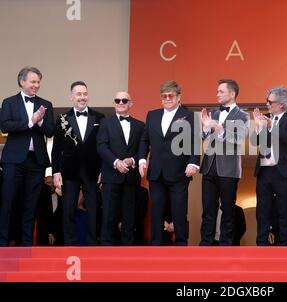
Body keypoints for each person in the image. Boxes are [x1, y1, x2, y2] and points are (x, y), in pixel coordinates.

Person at [139, 80, 200, 246]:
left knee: (179, 210)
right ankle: (156, 245)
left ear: (178, 97)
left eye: (170, 95)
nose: (167, 98)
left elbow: (194, 142)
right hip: (156, 172)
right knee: (157, 209)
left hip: (179, 172)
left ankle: (181, 245)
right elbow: (145, 139)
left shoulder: (189, 117)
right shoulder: (153, 115)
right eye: (164, 96)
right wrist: (142, 159)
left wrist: (193, 163)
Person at [0, 66, 55, 246]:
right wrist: (30, 122)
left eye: (38, 82)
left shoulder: (46, 104)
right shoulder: (9, 102)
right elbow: (5, 126)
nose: (36, 85)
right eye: (33, 81)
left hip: (36, 162)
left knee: (31, 204)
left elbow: (51, 130)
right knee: (8, 202)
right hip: (13, 161)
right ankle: (3, 242)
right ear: (22, 81)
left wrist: (39, 123)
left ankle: (26, 245)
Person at [52, 81, 104, 245]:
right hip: (69, 171)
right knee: (68, 208)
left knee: (93, 208)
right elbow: (56, 148)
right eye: (79, 94)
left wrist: (103, 169)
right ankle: (70, 243)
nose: (82, 97)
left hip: (93, 171)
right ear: (71, 96)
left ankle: (91, 243)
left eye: (85, 94)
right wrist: (56, 171)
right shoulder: (62, 118)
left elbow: (102, 146)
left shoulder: (100, 117)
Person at [199, 79, 250, 246]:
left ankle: (225, 246)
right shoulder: (213, 113)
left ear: (232, 93)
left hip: (229, 169)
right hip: (209, 167)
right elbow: (203, 137)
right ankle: (205, 244)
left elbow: (238, 139)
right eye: (217, 91)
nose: (217, 94)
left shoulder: (243, 115)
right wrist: (206, 127)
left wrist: (219, 130)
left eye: (221, 91)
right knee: (208, 210)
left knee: (228, 210)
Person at [250, 86, 287, 246]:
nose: (267, 105)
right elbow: (254, 141)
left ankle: (284, 246)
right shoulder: (265, 118)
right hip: (264, 170)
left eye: (270, 102)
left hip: (283, 172)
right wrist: (258, 126)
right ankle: (262, 244)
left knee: (284, 210)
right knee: (262, 210)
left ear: (281, 104)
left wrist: (271, 125)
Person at [97, 91, 145, 245]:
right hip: (111, 176)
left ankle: (127, 252)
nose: (121, 102)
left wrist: (132, 160)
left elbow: (144, 150)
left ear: (131, 103)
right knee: (108, 215)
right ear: (114, 103)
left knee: (129, 216)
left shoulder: (140, 125)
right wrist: (116, 162)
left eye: (125, 100)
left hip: (131, 178)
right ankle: (106, 248)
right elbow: (101, 146)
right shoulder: (105, 123)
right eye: (117, 100)